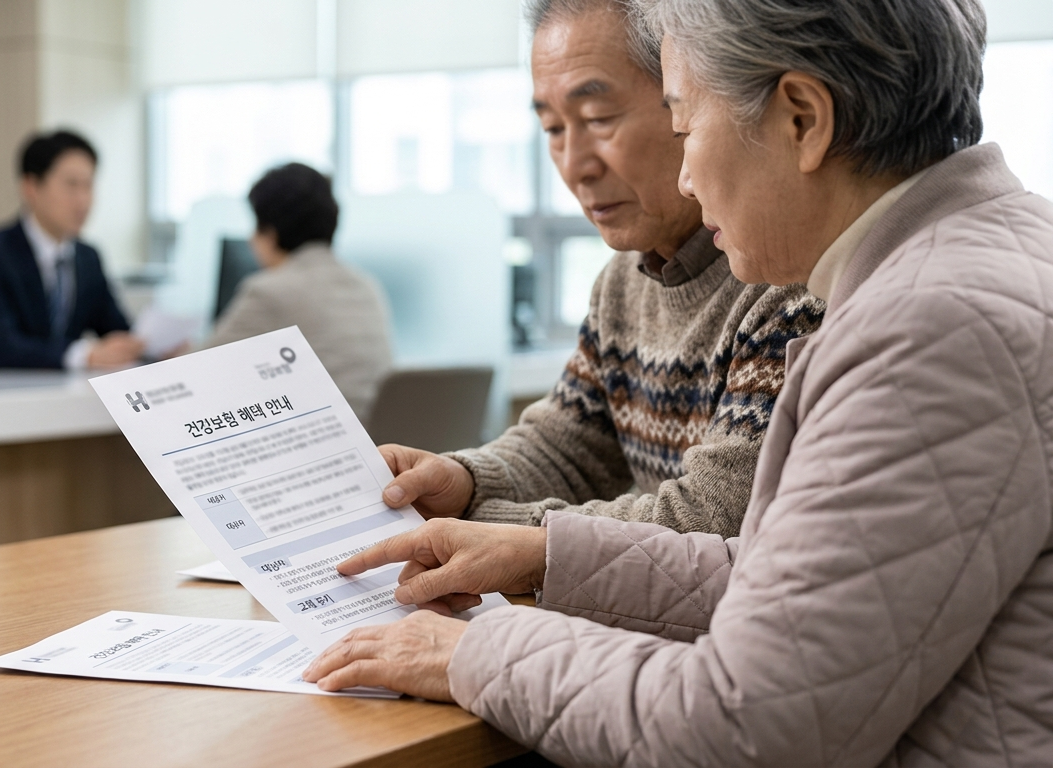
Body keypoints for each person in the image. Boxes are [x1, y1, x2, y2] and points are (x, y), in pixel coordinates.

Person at [305, 0, 1053, 765]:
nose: (689, 178)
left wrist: (471, 651)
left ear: (802, 118)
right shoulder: (971, 267)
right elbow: (781, 571)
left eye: (685, 123)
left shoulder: (927, 328)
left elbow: (745, 724)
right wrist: (543, 553)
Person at [376, 0, 823, 541]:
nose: (574, 164)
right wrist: (463, 482)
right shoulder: (622, 279)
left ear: (691, 101)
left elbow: (716, 521)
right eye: (553, 128)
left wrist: (484, 523)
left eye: (598, 118)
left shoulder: (787, 274)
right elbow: (568, 443)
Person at [200, 163, 393, 421]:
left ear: (270, 233)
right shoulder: (366, 285)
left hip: (320, 442)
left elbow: (197, 373)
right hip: (384, 444)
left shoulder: (269, 291)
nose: (251, 239)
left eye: (256, 226)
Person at [0, 130, 144, 370]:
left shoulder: (87, 256)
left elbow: (115, 326)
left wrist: (146, 346)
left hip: (68, 393)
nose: (83, 200)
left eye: (89, 185)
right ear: (31, 187)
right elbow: (2, 344)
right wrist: (82, 355)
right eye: (71, 185)